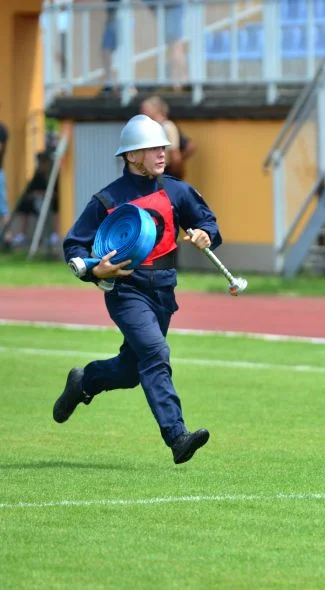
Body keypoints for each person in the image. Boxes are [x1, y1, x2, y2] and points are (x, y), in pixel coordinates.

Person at [53, 114, 223, 465]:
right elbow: (75, 245)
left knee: (133, 370)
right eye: (152, 148)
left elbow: (207, 223)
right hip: (127, 291)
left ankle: (84, 382)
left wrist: (206, 234)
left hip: (164, 291)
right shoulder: (107, 199)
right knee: (156, 352)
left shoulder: (177, 191)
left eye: (163, 146)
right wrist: (92, 269)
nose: (162, 153)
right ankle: (177, 436)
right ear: (131, 156)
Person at [140, 95, 196, 179]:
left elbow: (176, 154)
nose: (142, 112)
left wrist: (175, 174)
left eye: (145, 109)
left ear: (156, 109)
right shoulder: (153, 127)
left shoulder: (167, 127)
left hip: (165, 172)